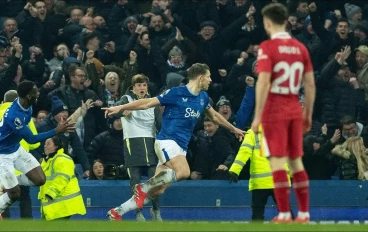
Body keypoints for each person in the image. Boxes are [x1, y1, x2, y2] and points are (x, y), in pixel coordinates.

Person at [102, 63, 245, 220]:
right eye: (209, 76)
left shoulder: (203, 97)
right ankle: (143, 187)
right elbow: (147, 103)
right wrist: (120, 107)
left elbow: (215, 116)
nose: (211, 80)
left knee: (158, 190)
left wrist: (234, 129)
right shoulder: (176, 93)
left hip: (181, 147)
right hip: (167, 141)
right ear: (201, 77)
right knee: (184, 172)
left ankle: (117, 212)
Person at [251, 3, 316, 223]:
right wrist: (307, 113)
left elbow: (263, 82)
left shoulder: (267, 47)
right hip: (294, 108)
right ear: (287, 21)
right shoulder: (300, 47)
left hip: (274, 110)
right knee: (296, 162)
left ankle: (285, 213)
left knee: (277, 162)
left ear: (267, 22)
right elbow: (310, 85)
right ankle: (305, 213)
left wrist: (257, 116)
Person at [0, 81, 75, 217]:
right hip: (3, 155)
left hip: (16, 149)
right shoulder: (14, 116)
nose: (38, 93)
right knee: (15, 194)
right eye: (35, 91)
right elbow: (31, 139)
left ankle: (7, 178)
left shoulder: (26, 106)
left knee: (40, 180)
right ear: (29, 96)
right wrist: (56, 130)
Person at [114, 74, 162, 221]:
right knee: (135, 180)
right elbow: (117, 108)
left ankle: (155, 210)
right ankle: (138, 212)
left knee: (154, 180)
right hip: (132, 143)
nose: (142, 88)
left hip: (150, 142)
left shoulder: (153, 102)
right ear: (133, 87)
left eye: (144, 85)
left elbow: (159, 125)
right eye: (139, 85)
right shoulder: (126, 99)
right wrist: (123, 111)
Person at [229, 129, 290, 221]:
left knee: (257, 216)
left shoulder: (252, 132)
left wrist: (235, 170)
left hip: (260, 182)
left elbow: (244, 152)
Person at [39, 136, 86, 221]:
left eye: (48, 144)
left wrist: (50, 193)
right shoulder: (46, 161)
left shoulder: (62, 159)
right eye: (45, 144)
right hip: (53, 205)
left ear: (56, 146)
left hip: (63, 205)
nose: (45, 146)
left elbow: (62, 179)